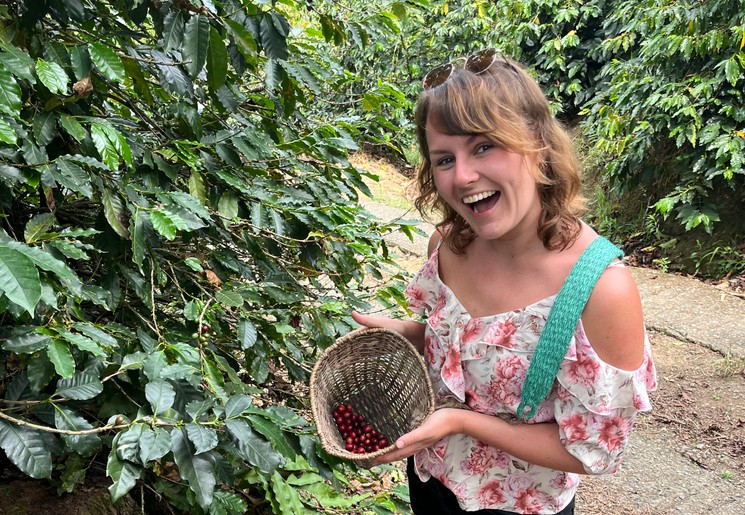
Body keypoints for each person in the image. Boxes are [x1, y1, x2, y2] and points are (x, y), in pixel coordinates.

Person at [351, 49, 657, 515]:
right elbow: (464, 353)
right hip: (431, 480)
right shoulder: (448, 244)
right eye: (444, 159)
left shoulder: (599, 289)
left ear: (537, 143)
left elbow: (593, 450)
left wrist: (461, 423)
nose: (465, 176)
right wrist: (410, 336)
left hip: (520, 507)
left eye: (483, 146)